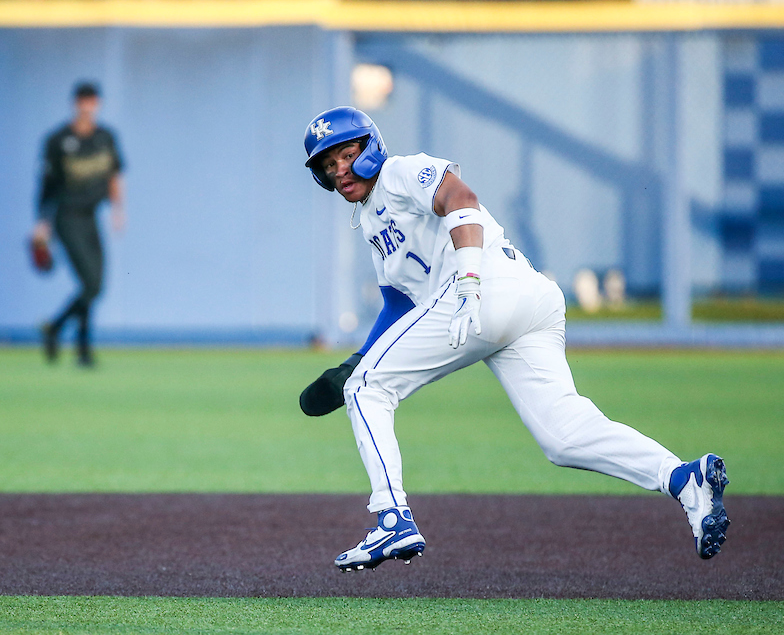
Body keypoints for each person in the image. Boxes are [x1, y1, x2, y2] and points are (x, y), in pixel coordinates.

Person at [298, 106, 729, 570]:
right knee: (564, 437)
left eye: (346, 153)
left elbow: (460, 198)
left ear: (371, 145)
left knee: (369, 389)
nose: (340, 170)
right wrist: (358, 359)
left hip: (483, 284)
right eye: (328, 165)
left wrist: (467, 279)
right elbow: (400, 304)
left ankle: (391, 518)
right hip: (526, 299)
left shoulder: (399, 172)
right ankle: (684, 478)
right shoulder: (369, 219)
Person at [33, 82, 125, 367]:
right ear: (75, 103)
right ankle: (80, 348)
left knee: (94, 285)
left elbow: (114, 174)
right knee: (90, 284)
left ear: (98, 104)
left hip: (91, 216)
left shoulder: (106, 137)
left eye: (92, 100)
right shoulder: (58, 140)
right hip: (65, 217)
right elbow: (45, 185)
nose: (88, 105)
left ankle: (58, 330)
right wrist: (42, 223)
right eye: (83, 100)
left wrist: (118, 209)